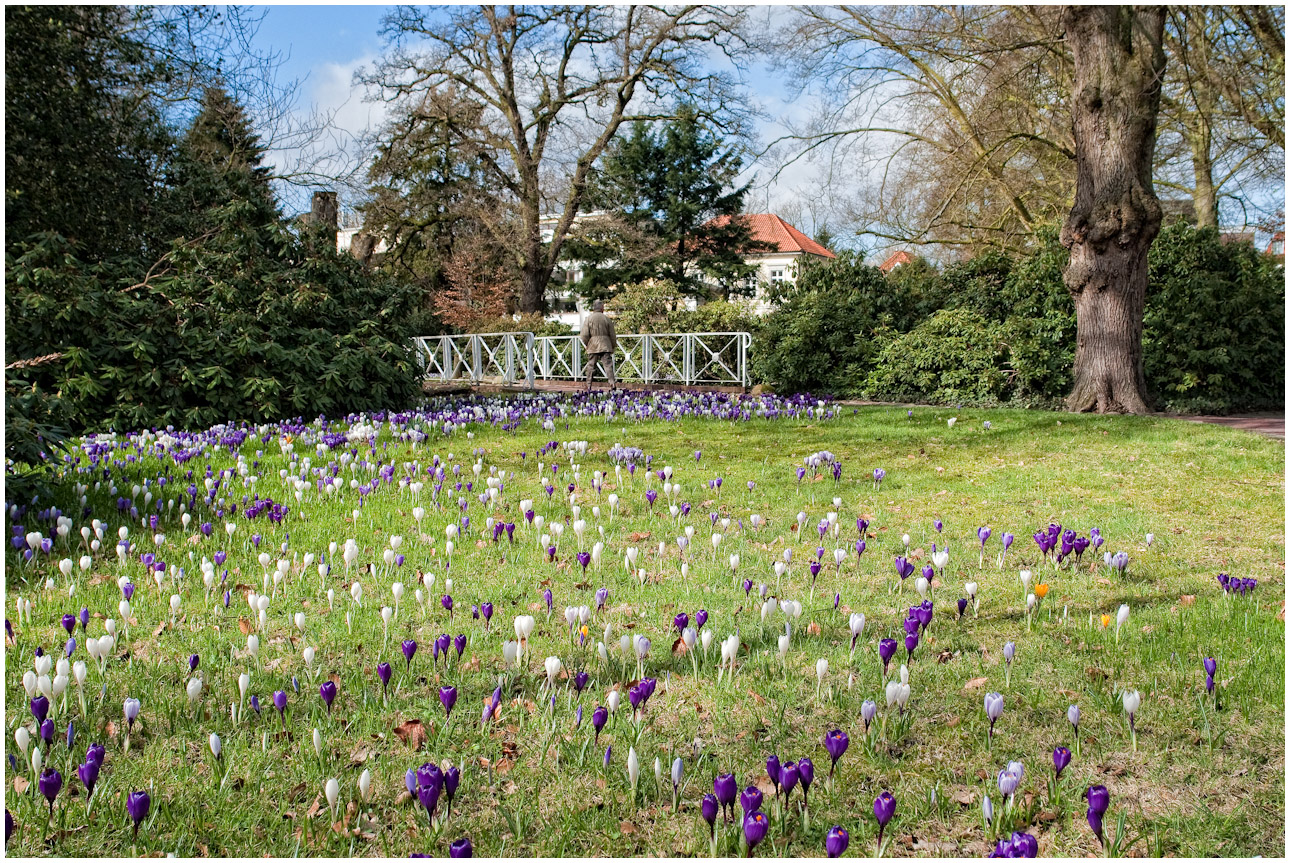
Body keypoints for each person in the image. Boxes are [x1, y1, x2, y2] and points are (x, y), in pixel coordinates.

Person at [579, 300, 618, 390]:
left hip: (593, 345)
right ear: (602, 308)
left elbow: (584, 334)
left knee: (591, 366)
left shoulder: (589, 318)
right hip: (605, 344)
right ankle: (612, 383)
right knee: (608, 365)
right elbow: (612, 334)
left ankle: (588, 385)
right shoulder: (606, 319)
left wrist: (587, 344)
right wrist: (612, 345)